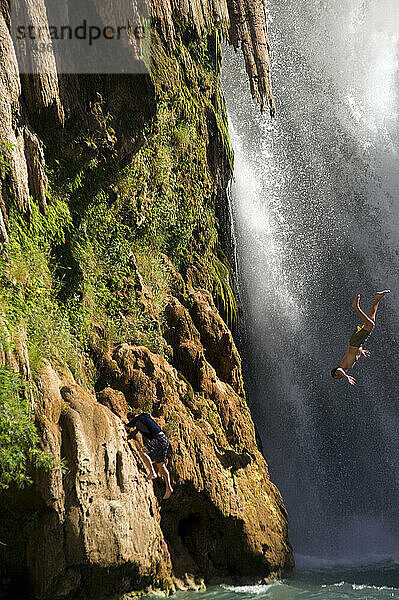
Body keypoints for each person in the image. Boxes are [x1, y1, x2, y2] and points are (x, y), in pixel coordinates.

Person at [331, 290, 390, 386]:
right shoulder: (347, 367)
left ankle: (356, 307)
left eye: (337, 377)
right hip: (358, 344)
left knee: (370, 325)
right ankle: (377, 298)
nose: (339, 377)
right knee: (371, 319)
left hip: (355, 342)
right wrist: (361, 351)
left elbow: (339, 370)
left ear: (336, 374)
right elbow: (353, 354)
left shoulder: (342, 367)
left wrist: (347, 377)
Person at [125, 411, 173, 499]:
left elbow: (128, 425)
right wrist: (130, 436)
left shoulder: (137, 420)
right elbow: (136, 430)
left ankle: (152, 472)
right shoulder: (144, 418)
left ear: (131, 418)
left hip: (158, 439)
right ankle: (169, 487)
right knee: (160, 465)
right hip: (164, 439)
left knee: (142, 451)